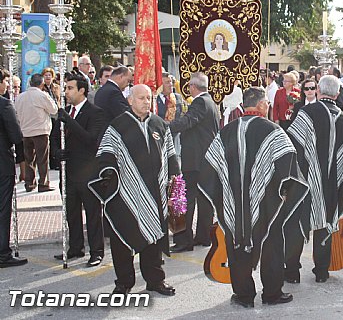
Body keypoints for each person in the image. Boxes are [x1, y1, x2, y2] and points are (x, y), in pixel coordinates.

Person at [198, 87, 308, 308]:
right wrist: (284, 194)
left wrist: (223, 195)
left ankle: (244, 295)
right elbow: (288, 163)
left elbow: (210, 165)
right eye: (266, 102)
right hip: (268, 201)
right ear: (260, 105)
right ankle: (272, 294)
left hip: (234, 204)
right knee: (271, 242)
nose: (267, 105)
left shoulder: (226, 132)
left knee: (237, 242)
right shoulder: (274, 131)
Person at [89, 84, 180, 296]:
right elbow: (106, 151)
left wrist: (175, 180)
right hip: (125, 195)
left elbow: (171, 154)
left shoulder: (160, 125)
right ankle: (123, 283)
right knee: (122, 238)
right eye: (141, 98)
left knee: (154, 238)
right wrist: (107, 170)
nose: (146, 102)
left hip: (155, 193)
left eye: (149, 98)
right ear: (130, 100)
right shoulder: (118, 126)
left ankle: (155, 280)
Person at [286, 75, 343, 283]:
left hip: (305, 182)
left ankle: (292, 272)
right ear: (337, 94)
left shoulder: (307, 113)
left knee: (297, 225)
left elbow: (292, 145)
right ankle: (321, 271)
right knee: (326, 223)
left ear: (318, 91)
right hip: (331, 185)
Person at [51, 75, 105, 266]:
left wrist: (69, 121)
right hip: (69, 172)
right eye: (65, 88)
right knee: (71, 212)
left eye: (70, 88)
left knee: (92, 214)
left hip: (88, 172)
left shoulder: (94, 112)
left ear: (82, 90)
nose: (66, 92)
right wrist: (57, 152)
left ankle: (97, 251)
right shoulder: (65, 112)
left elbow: (91, 140)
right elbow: (54, 137)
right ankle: (75, 247)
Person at [169, 72, 218, 252]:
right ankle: (203, 237)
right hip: (205, 159)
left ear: (193, 87)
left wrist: (165, 126)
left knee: (187, 200)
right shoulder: (210, 102)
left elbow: (188, 121)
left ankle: (185, 240)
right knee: (204, 199)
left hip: (196, 159)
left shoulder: (199, 102)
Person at [0, 68, 27, 268]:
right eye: (6, 81)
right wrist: (22, 162)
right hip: (2, 164)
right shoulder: (4, 104)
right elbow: (16, 136)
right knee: (2, 209)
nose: (8, 86)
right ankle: (3, 252)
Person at [15, 73, 58, 192]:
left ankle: (29, 184)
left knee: (29, 159)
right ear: (42, 83)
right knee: (42, 159)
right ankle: (43, 184)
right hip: (40, 131)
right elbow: (54, 109)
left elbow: (16, 113)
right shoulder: (42, 95)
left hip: (25, 131)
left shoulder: (20, 97)